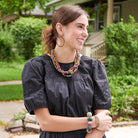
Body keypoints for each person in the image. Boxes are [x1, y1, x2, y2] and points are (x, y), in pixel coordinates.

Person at [22, 5, 112, 138]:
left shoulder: (95, 67)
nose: (86, 33)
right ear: (60, 28)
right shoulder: (36, 68)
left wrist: (97, 123)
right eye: (80, 26)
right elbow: (46, 122)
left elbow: (103, 122)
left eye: (87, 28)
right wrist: (92, 121)